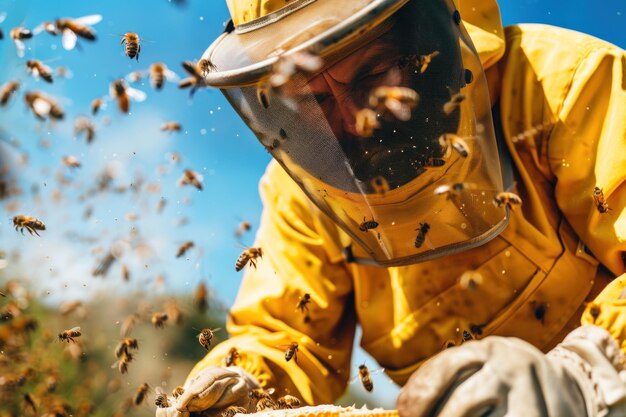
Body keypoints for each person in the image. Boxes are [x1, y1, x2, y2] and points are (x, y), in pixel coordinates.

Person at [157, 0, 626, 416]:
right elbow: (282, 336)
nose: (349, 120)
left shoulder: (561, 83)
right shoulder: (299, 197)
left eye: (371, 74)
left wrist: (585, 375)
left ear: (425, 35)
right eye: (313, 100)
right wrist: (243, 386)